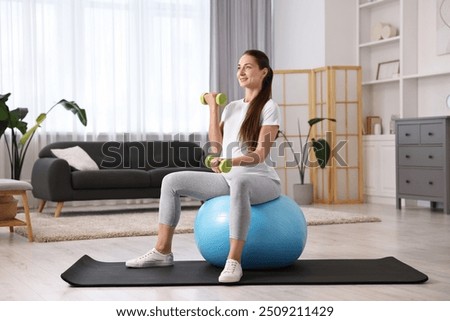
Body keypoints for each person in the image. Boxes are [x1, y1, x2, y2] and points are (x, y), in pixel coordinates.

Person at [125, 49, 281, 283]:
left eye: (248, 66)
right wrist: (213, 108)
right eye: (238, 67)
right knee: (171, 181)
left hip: (261, 181)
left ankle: (233, 261)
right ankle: (162, 251)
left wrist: (230, 162)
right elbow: (216, 145)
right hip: (228, 179)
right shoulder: (232, 108)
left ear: (264, 72)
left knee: (240, 180)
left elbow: (260, 154)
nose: (241, 71)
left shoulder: (269, 107)